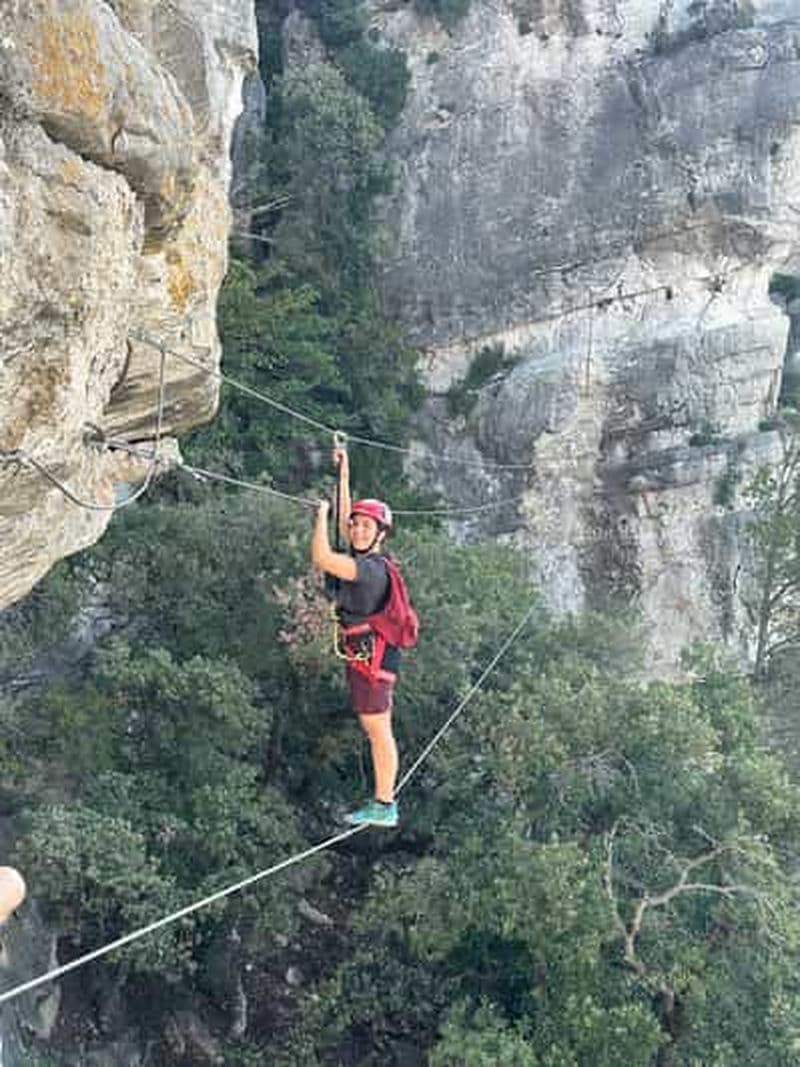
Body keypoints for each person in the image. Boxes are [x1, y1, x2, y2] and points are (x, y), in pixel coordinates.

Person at [311, 445, 402, 828]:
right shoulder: (368, 558)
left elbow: (323, 558)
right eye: (356, 524)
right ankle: (384, 801)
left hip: (372, 661)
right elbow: (349, 519)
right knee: (377, 726)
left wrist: (320, 519)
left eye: (367, 526)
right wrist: (343, 474)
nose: (357, 529)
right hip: (370, 655)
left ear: (380, 534)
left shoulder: (369, 571)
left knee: (377, 729)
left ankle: (384, 804)